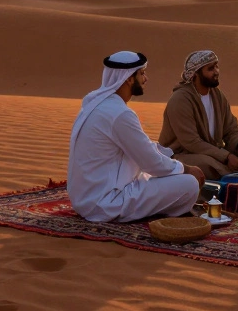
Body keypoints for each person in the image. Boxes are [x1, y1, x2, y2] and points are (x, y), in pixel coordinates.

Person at [67, 51, 204, 222]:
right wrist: (186, 169)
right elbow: (152, 164)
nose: (146, 78)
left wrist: (169, 157)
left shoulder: (95, 105)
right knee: (189, 184)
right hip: (105, 203)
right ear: (128, 79)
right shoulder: (120, 114)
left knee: (163, 173)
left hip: (84, 199)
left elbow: (142, 148)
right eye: (142, 73)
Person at [158, 50, 238, 180]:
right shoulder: (180, 100)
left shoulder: (217, 96)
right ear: (196, 74)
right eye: (210, 69)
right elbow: (192, 143)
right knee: (207, 165)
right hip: (183, 155)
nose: (216, 72)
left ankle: (235, 177)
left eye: (216, 66)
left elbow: (231, 129)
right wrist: (225, 157)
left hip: (214, 153)